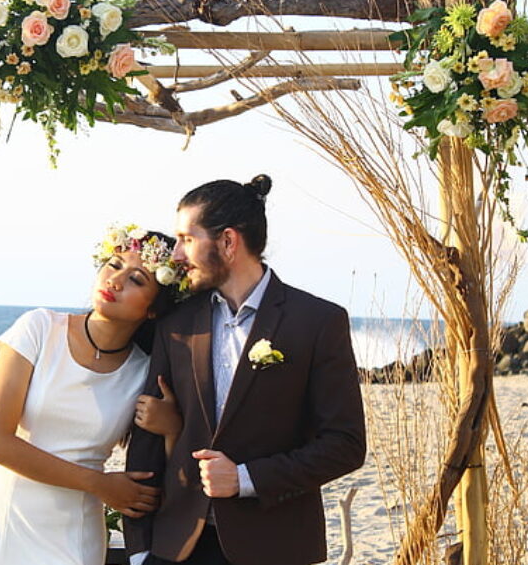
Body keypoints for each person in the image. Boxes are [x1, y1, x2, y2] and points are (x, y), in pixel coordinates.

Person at [125, 176, 367, 565]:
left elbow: (345, 445)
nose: (178, 255)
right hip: (177, 547)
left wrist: (244, 479)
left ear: (227, 242)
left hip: (274, 547)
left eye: (187, 238)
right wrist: (139, 551)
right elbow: (147, 449)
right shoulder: (176, 324)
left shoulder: (318, 321)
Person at [0, 225, 188, 565]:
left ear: (154, 310)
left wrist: (172, 428)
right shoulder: (39, 329)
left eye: (136, 279)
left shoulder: (144, 373)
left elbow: (170, 472)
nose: (115, 281)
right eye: (114, 265)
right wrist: (99, 484)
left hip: (74, 533)